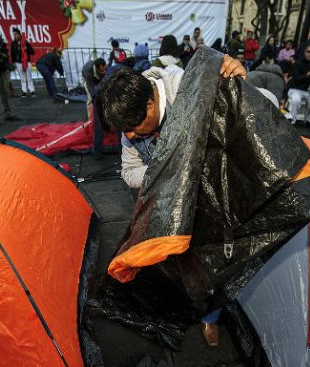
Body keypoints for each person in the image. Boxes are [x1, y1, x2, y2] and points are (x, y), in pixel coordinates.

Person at [94, 53, 247, 347]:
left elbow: (251, 109)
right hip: (175, 207)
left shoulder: (191, 87)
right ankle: (199, 305)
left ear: (151, 106)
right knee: (189, 266)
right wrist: (168, 166)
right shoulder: (132, 123)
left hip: (218, 197)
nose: (129, 136)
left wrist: (241, 78)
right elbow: (129, 173)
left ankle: (211, 317)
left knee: (223, 262)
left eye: (132, 129)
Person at [82, 58, 108, 158]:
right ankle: (90, 119)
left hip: (98, 80)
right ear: (97, 68)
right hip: (89, 81)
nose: (104, 71)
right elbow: (92, 91)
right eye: (102, 70)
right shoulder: (89, 72)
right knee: (90, 101)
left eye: (105, 69)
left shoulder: (104, 68)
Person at [11, 27, 36, 96]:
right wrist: (14, 62)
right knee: (22, 77)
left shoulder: (25, 42)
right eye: (14, 35)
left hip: (27, 62)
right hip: (19, 62)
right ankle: (24, 90)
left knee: (29, 76)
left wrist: (26, 49)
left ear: (20, 34)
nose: (15, 36)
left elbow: (32, 52)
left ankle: (32, 90)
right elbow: (12, 53)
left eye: (16, 34)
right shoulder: (13, 44)